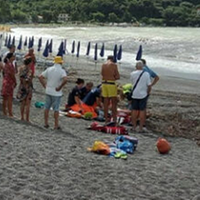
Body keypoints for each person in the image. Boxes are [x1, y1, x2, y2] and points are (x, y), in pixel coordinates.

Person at [39, 56, 67, 130]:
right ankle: (56, 124)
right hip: (56, 92)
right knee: (56, 109)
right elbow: (65, 79)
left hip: (48, 90)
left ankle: (46, 123)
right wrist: (60, 87)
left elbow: (40, 77)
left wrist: (44, 85)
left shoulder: (49, 69)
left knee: (46, 107)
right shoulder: (61, 71)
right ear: (60, 62)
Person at [130, 60, 151, 132]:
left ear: (136, 66)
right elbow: (149, 85)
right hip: (143, 94)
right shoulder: (146, 74)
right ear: (143, 67)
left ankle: (134, 126)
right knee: (142, 110)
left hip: (135, 94)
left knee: (134, 110)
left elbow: (132, 83)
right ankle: (141, 127)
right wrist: (148, 92)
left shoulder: (132, 73)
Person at [101, 55, 120, 125]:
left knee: (106, 102)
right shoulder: (114, 65)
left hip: (104, 83)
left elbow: (102, 74)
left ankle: (106, 119)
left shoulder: (103, 65)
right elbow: (118, 76)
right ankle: (114, 119)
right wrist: (114, 77)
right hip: (111, 83)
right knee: (113, 102)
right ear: (113, 59)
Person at [16, 57, 33, 122]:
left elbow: (20, 77)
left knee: (22, 102)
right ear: (29, 63)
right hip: (27, 87)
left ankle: (22, 117)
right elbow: (28, 79)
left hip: (21, 86)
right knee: (28, 103)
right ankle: (27, 118)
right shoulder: (29, 70)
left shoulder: (21, 68)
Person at [1, 53, 17, 117]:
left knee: (5, 98)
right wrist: (15, 81)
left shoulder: (6, 64)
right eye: (13, 56)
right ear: (10, 58)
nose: (14, 57)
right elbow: (12, 74)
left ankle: (5, 112)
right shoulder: (10, 65)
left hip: (5, 81)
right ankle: (10, 113)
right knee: (9, 98)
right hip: (9, 82)